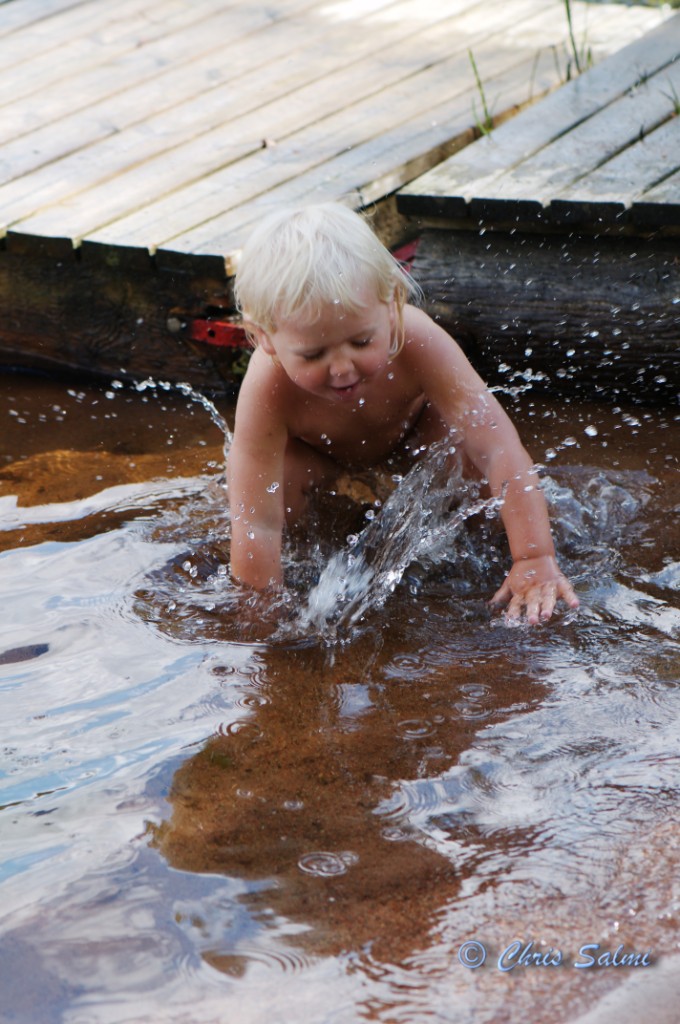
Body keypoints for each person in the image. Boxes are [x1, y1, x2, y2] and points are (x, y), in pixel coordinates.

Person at [227, 202, 578, 624]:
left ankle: (493, 557)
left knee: (470, 464)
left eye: (360, 342)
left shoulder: (419, 341)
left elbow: (498, 448)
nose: (341, 368)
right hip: (321, 463)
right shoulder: (267, 385)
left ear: (392, 303)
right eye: (314, 354)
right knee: (275, 488)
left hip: (414, 443)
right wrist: (259, 613)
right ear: (263, 337)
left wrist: (534, 556)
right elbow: (256, 522)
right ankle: (312, 555)